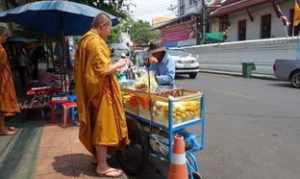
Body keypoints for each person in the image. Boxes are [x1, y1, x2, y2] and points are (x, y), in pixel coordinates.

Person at [74, 13, 130, 177]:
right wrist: (119, 63)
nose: (110, 32)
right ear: (102, 26)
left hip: (91, 90)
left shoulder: (85, 40)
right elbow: (103, 70)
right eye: (109, 28)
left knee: (95, 123)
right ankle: (103, 166)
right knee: (103, 126)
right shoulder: (95, 42)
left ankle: (98, 158)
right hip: (101, 91)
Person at [0, 26, 20, 135]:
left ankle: (3, 127)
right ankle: (2, 129)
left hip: (4, 79)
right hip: (2, 80)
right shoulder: (1, 50)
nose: (6, 39)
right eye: (5, 36)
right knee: (2, 106)